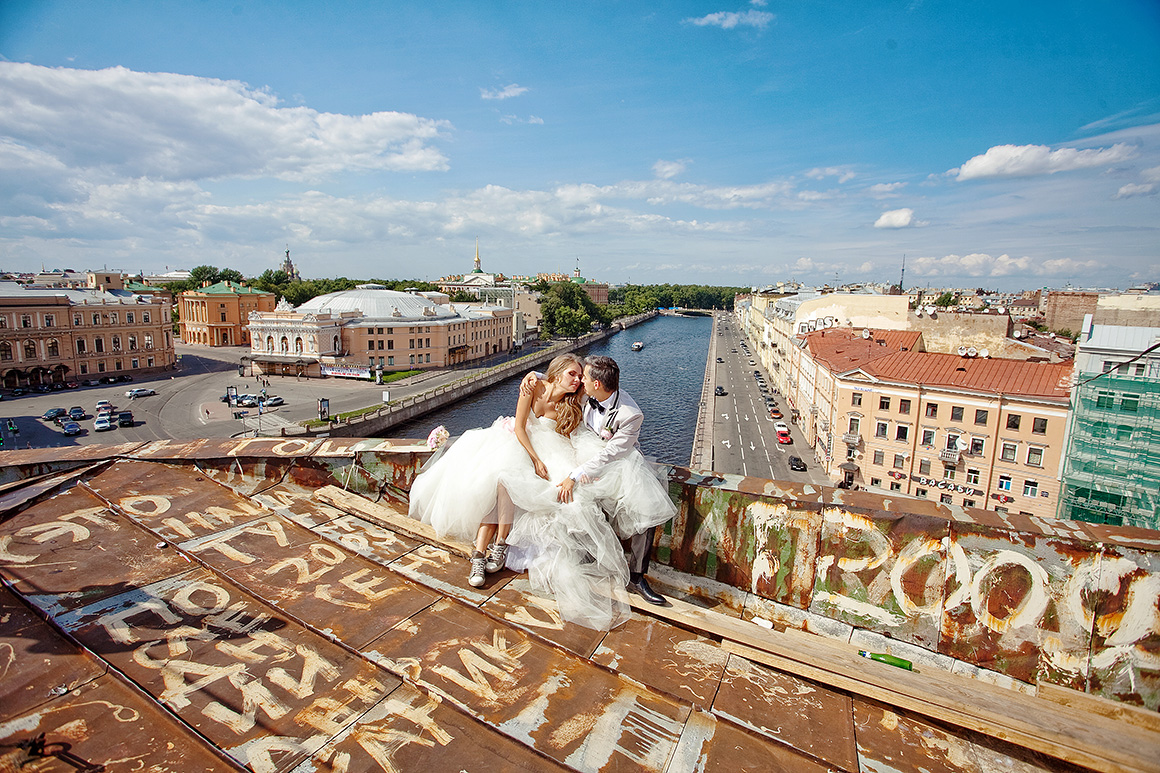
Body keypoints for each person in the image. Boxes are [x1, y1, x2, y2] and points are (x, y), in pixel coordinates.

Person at [408, 354, 587, 589]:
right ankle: (486, 552)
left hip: (547, 450)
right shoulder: (533, 386)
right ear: (558, 371)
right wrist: (535, 461)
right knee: (500, 478)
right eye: (572, 373)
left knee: (504, 482)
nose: (576, 380)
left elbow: (600, 389)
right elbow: (521, 427)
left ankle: (489, 550)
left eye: (579, 376)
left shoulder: (571, 403)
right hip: (517, 442)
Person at [522, 355, 676, 606]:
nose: (580, 378)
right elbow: (559, 379)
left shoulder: (631, 414)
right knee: (572, 502)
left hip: (617, 463)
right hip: (581, 454)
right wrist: (534, 376)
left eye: (584, 376)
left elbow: (611, 453)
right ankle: (589, 562)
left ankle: (637, 576)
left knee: (646, 507)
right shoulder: (587, 388)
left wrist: (575, 475)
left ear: (595, 385)